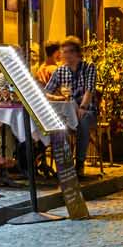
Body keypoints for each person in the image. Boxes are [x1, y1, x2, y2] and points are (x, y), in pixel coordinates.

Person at [44, 37, 98, 168]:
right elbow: (46, 92)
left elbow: (89, 90)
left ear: (77, 53)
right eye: (64, 52)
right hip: (66, 111)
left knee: (83, 120)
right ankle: (65, 164)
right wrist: (57, 98)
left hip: (87, 110)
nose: (65, 55)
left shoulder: (88, 67)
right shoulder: (60, 71)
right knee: (59, 126)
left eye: (69, 52)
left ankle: (79, 163)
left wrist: (83, 107)